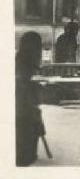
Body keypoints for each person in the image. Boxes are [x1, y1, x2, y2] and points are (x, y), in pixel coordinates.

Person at [15, 32, 46, 166]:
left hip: (27, 127)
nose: (39, 55)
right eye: (38, 49)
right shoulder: (22, 76)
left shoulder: (24, 73)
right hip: (23, 128)